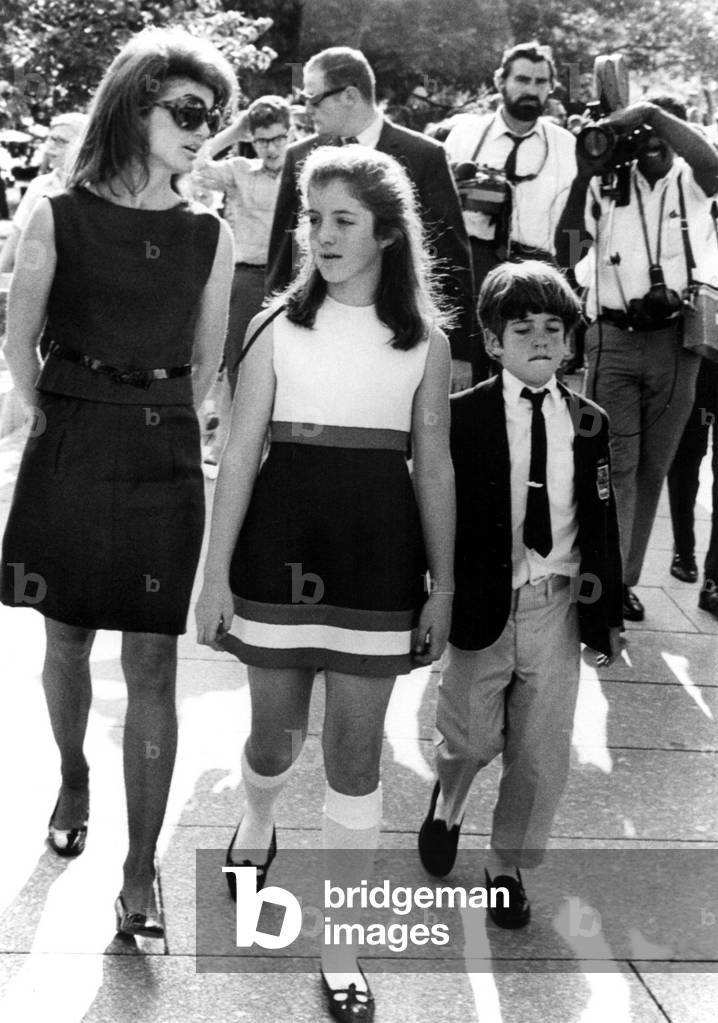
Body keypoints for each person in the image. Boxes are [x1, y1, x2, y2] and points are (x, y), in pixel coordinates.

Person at [195, 144, 455, 1020]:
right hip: (278, 549)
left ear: (387, 231)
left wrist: (444, 584)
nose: (323, 234)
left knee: (354, 756)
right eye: (313, 218)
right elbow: (237, 455)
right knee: (274, 743)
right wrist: (212, 577)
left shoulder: (426, 338)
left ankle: (343, 946)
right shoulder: (275, 325)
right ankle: (257, 823)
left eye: (343, 219)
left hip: (378, 563)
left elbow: (435, 468)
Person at [0, 28, 235, 939]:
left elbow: (207, 355)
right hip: (73, 433)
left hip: (160, 446)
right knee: (65, 640)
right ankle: (70, 771)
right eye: (186, 111)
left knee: (151, 660)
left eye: (210, 117)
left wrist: (173, 411)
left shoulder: (207, 233)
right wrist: (49, 411)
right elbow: (18, 339)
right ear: (135, 106)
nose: (201, 129)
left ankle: (140, 871)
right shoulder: (57, 212)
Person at [417, 261, 623, 927]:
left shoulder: (589, 423)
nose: (539, 338)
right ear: (494, 341)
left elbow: (601, 519)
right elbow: (433, 507)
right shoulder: (462, 416)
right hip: (482, 599)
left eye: (553, 328)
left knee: (540, 751)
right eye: (522, 327)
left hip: (555, 604)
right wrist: (428, 590)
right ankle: (449, 797)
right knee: (471, 736)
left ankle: (506, 864)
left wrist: (606, 614)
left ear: (570, 343)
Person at [555, 96, 718, 622]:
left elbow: (712, 163)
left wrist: (648, 111)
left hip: (675, 342)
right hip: (614, 338)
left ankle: (623, 578)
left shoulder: (691, 182)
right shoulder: (608, 183)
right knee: (615, 464)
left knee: (652, 468)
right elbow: (567, 246)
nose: (649, 142)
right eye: (639, 135)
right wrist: (587, 172)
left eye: (659, 134)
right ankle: (602, 579)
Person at [265, 45, 476, 391]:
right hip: (318, 334)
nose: (307, 109)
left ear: (350, 94)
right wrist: (277, 333)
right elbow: (282, 257)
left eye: (314, 98)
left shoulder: (424, 156)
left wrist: (459, 350)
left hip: (401, 334)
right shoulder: (299, 157)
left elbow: (450, 257)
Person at [444, 43, 576, 307]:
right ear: (499, 81)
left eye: (541, 82)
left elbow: (576, 225)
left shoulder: (566, 146)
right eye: (522, 79)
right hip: (473, 267)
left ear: (551, 87)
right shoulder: (465, 135)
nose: (531, 90)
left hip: (538, 274)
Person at [194, 95, 291, 395]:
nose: (271, 148)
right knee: (240, 361)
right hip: (248, 278)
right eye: (263, 141)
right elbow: (193, 164)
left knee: (289, 369)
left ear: (290, 133)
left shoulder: (305, 168)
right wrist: (235, 131)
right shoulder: (239, 170)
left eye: (278, 138)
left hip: (292, 279)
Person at [0, 113, 88, 274]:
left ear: (85, 146)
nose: (49, 147)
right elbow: (16, 238)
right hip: (38, 276)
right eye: (50, 139)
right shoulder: (39, 186)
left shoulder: (100, 188)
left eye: (60, 141)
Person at [667, 358, 718, 616]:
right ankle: (684, 549)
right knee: (686, 462)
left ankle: (714, 580)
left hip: (703, 360)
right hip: (702, 357)